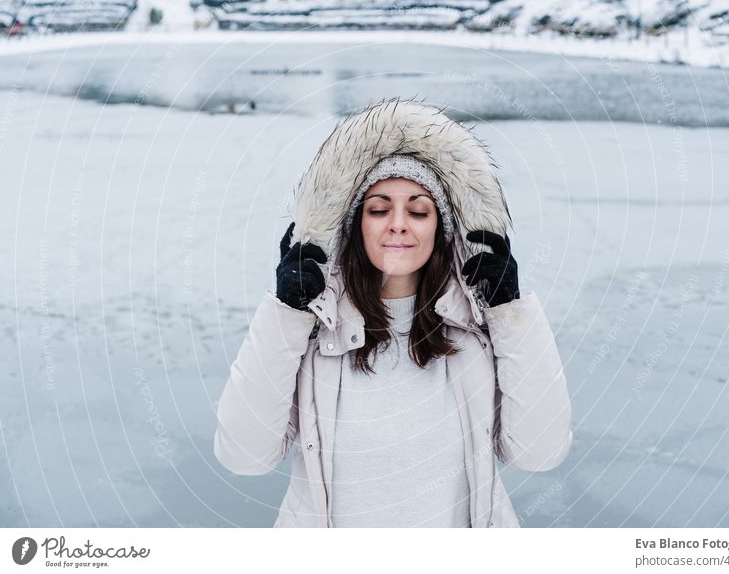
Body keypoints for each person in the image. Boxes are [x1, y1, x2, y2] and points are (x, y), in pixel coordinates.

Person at [214, 99, 573, 528]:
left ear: (439, 229)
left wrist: (509, 312)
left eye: (418, 211)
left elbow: (540, 451)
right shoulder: (312, 336)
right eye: (379, 209)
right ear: (355, 226)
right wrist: (287, 313)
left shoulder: (476, 337)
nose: (398, 224)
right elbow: (244, 455)